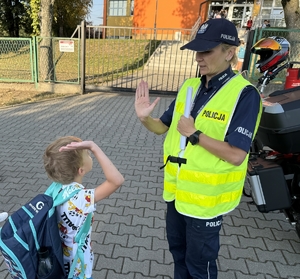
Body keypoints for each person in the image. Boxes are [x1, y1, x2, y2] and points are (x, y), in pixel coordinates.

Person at [134, 18, 262, 279]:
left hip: (206, 203)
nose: (198, 58)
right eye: (196, 51)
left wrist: (195, 134)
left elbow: (237, 155)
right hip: (177, 194)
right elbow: (163, 128)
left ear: (228, 53)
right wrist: (145, 118)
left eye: (206, 51)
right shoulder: (190, 87)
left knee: (199, 265)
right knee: (178, 255)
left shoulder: (244, 95)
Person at [43, 136, 124, 279]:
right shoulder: (81, 198)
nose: (90, 154)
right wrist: (93, 146)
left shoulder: (54, 188)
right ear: (81, 170)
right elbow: (116, 180)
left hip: (59, 259)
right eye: (87, 154)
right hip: (77, 268)